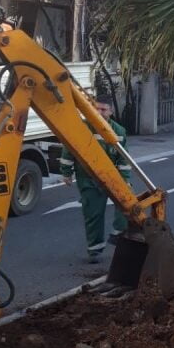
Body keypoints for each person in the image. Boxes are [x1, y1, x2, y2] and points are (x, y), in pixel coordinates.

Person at [60, 94, 131, 262]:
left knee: (128, 202)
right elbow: (69, 151)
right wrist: (66, 173)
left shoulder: (119, 131)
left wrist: (125, 179)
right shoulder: (82, 129)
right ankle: (94, 251)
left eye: (103, 109)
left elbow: (123, 159)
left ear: (111, 112)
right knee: (93, 215)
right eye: (96, 109)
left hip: (112, 177)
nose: (99, 112)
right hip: (89, 180)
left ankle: (119, 232)